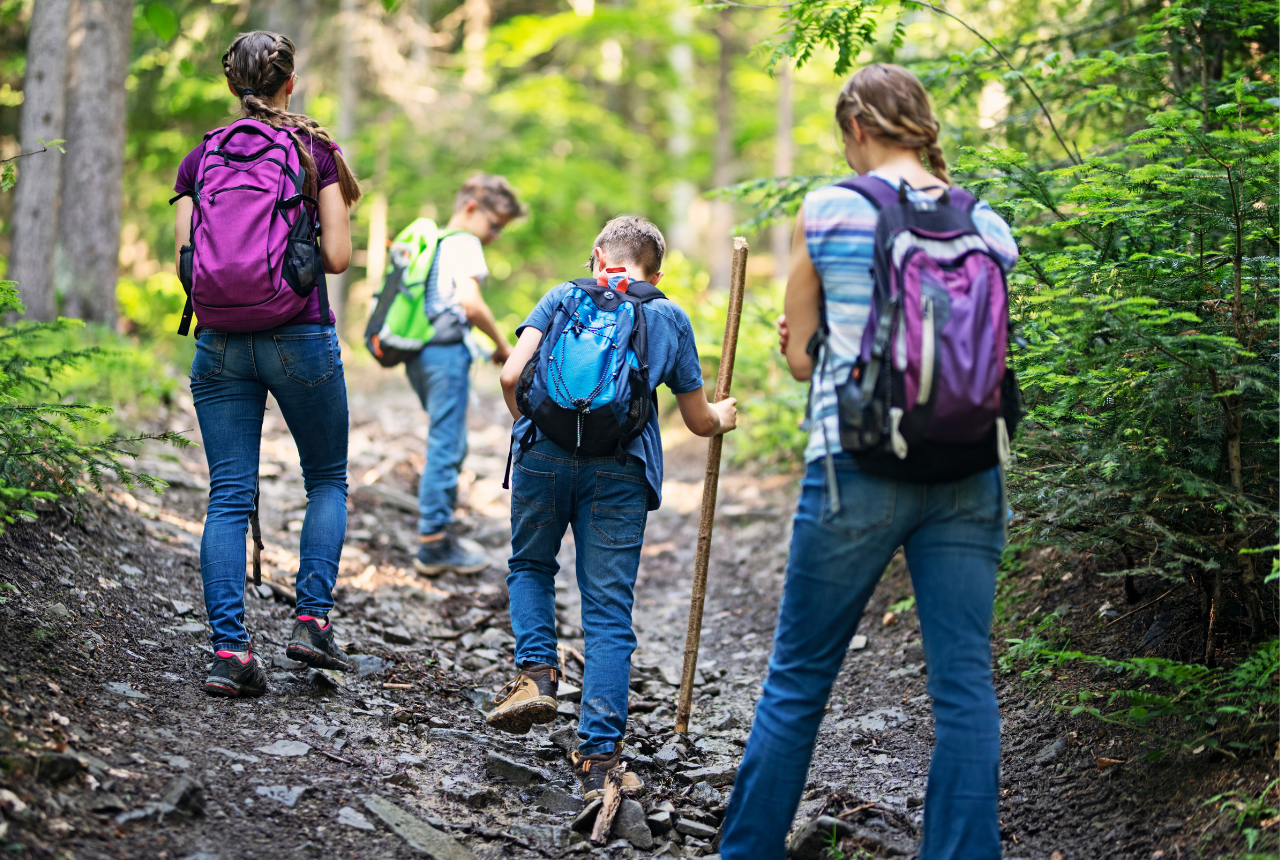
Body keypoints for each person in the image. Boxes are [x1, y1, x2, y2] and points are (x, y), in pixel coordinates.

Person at [717, 64, 1020, 860]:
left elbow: (803, 361)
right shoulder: (986, 224)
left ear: (856, 128)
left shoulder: (829, 209)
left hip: (854, 468)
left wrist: (801, 339)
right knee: (963, 690)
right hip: (970, 470)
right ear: (920, 123)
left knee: (798, 680)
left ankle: (746, 852)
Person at [487, 216, 739, 800]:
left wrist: (533, 427)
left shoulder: (560, 297)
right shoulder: (669, 316)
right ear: (657, 270)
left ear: (598, 256)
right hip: (621, 471)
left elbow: (511, 373)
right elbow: (698, 420)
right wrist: (723, 416)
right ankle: (599, 755)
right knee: (607, 610)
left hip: (541, 458)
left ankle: (537, 672)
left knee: (530, 566)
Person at [172, 31, 362, 697]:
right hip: (300, 336)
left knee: (227, 496)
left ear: (233, 86)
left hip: (218, 342)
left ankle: (231, 653)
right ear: (291, 83)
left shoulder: (201, 157)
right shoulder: (315, 152)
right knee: (327, 481)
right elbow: (336, 259)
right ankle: (310, 621)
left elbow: (185, 263)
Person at [409, 175, 522, 576]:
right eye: (494, 225)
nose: (495, 235)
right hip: (446, 355)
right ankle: (434, 543)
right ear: (472, 208)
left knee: (444, 439)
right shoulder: (464, 242)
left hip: (420, 354)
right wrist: (502, 344)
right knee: (448, 445)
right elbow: (469, 302)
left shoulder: (437, 242)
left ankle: (436, 533)